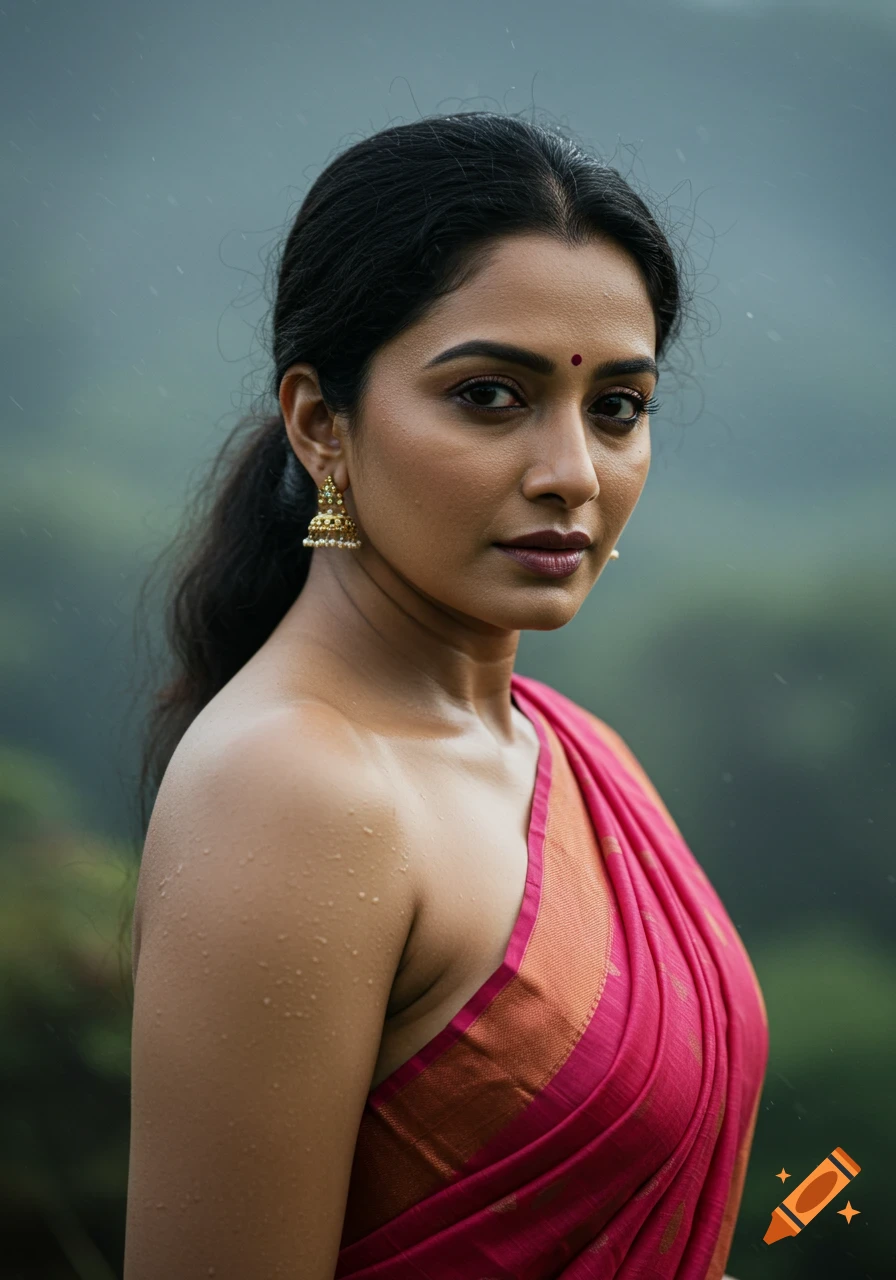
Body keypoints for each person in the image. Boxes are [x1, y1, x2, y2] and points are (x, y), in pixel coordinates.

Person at [124, 111, 768, 1280]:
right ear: (321, 423)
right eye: (488, 396)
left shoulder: (579, 752)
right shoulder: (294, 790)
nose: (570, 472)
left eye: (615, 407)